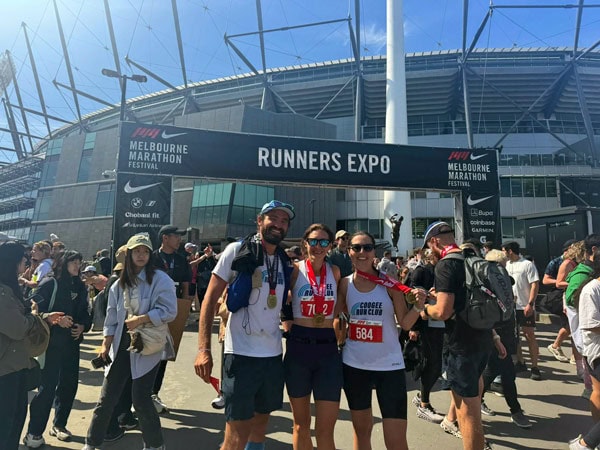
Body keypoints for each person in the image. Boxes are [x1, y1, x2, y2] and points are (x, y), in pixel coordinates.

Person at [194, 200, 295, 450]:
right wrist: (203, 349)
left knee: (260, 426)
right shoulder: (237, 250)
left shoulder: (283, 259)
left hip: (272, 355)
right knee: (237, 432)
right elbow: (209, 299)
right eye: (273, 218)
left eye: (284, 221)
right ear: (259, 221)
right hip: (240, 354)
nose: (279, 225)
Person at [83, 233, 177, 450]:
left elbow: (170, 311)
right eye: (137, 251)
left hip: (148, 346)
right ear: (129, 254)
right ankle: (92, 443)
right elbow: (111, 318)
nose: (141, 255)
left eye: (145, 251)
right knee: (106, 398)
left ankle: (154, 445)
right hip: (120, 346)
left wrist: (142, 319)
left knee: (141, 399)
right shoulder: (118, 284)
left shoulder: (161, 279)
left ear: (150, 254)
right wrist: (105, 345)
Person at [338, 231, 426, 450]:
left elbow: (405, 324)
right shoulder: (344, 284)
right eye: (356, 248)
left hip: (390, 367)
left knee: (396, 441)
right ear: (349, 252)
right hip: (354, 365)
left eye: (367, 247)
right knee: (362, 432)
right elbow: (337, 318)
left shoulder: (390, 285)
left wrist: (418, 306)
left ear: (373, 252)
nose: (362, 252)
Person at [420, 221, 492, 450]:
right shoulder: (472, 258)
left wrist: (424, 311)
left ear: (434, 241)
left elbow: (442, 312)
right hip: (483, 337)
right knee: (469, 405)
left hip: (461, 343)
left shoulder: (446, 265)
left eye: (429, 247)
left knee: (467, 414)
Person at [24, 250, 92, 448]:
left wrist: (82, 326)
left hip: (72, 344)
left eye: (79, 262)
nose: (77, 266)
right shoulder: (50, 283)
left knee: (69, 386)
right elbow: (31, 308)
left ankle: (59, 425)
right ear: (63, 262)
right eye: (73, 262)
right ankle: (34, 432)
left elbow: (86, 312)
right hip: (50, 345)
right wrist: (53, 318)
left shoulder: (80, 286)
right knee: (46, 389)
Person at [284, 223, 341, 450]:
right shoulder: (295, 270)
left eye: (324, 242)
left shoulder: (335, 272)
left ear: (330, 245)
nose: (318, 247)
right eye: (314, 241)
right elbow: (280, 300)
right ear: (305, 244)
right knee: (301, 426)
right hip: (299, 347)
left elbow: (341, 307)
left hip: (327, 349)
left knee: (326, 430)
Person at [0, 241, 62, 450]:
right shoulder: (2, 293)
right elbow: (17, 328)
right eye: (24, 259)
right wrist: (35, 316)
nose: (27, 263)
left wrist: (40, 315)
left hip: (16, 365)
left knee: (16, 418)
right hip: (5, 369)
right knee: (6, 424)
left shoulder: (9, 289)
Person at [480, 249, 532, 429]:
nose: (504, 267)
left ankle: (474, 400)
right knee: (507, 373)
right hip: (496, 335)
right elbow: (488, 313)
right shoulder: (487, 284)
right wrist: (495, 337)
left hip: (506, 334)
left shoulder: (504, 282)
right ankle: (515, 410)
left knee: (493, 370)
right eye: (502, 264)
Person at [151, 224, 192, 413]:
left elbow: (185, 284)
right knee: (150, 350)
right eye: (176, 236)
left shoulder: (181, 259)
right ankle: (144, 393)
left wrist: (185, 306)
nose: (179, 240)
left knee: (167, 352)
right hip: (155, 308)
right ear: (165, 238)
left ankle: (154, 392)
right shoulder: (153, 258)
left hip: (174, 307)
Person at [409, 248, 446, 425]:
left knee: (437, 366)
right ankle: (424, 404)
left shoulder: (444, 270)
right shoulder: (421, 272)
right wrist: (414, 327)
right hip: (426, 324)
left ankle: (422, 397)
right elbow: (411, 298)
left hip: (442, 324)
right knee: (431, 365)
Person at [569, 249, 600, 450]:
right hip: (597, 351)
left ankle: (590, 440)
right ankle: (586, 443)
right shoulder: (591, 290)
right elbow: (590, 324)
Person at [502, 241, 541, 380]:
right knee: (515, 336)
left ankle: (535, 367)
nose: (503, 254)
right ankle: (521, 361)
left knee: (529, 334)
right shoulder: (507, 265)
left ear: (510, 251)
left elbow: (534, 284)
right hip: (511, 306)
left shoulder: (527, 264)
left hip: (524, 306)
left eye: (504, 251)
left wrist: (530, 304)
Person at [542, 239, 576, 362]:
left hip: (571, 295)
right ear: (566, 250)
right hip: (558, 296)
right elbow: (545, 280)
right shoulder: (556, 262)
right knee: (570, 325)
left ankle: (571, 354)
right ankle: (556, 346)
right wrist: (561, 282)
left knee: (572, 325)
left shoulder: (576, 261)